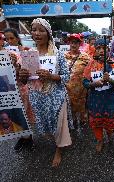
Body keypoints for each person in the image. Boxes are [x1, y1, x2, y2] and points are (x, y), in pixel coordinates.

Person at [18, 18, 73, 167]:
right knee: (47, 127)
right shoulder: (29, 55)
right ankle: (57, 142)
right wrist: (22, 76)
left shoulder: (57, 54)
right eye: (34, 29)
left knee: (59, 126)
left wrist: (50, 76)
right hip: (37, 97)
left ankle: (59, 150)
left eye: (41, 30)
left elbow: (66, 77)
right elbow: (25, 81)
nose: (37, 33)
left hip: (56, 96)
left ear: (48, 33)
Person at [83, 38, 114, 152]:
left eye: (104, 48)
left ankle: (110, 136)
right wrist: (92, 84)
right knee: (96, 123)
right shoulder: (90, 64)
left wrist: (111, 80)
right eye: (98, 48)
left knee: (110, 122)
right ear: (94, 50)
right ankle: (100, 140)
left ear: (109, 49)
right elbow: (84, 82)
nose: (101, 51)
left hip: (109, 100)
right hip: (95, 101)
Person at [64, 33, 90, 128]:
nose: (74, 45)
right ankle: (73, 121)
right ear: (69, 43)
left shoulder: (85, 57)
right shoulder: (63, 56)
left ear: (80, 44)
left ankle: (83, 121)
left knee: (82, 106)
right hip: (67, 88)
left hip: (82, 89)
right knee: (70, 107)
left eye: (76, 42)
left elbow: (91, 69)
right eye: (72, 42)